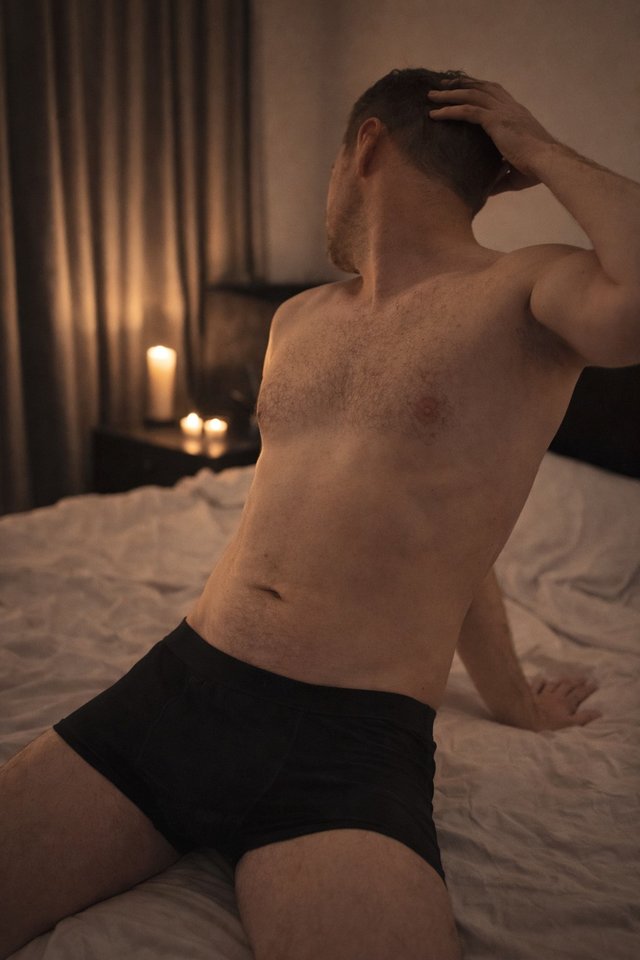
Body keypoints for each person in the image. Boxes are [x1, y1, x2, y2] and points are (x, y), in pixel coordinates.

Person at [2, 67, 639, 960]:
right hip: (180, 686)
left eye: (334, 162)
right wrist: (510, 697)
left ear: (365, 146)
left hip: (344, 744)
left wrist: (540, 148)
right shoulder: (295, 319)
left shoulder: (522, 292)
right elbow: (417, 534)